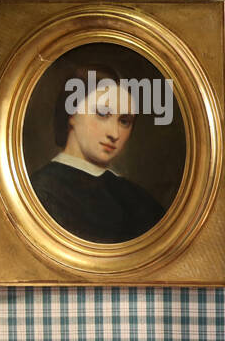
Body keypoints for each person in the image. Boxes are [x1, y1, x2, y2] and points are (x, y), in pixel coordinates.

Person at [29, 67, 166, 243]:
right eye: (102, 114)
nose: (114, 134)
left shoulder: (141, 200)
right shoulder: (42, 191)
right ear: (72, 112)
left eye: (124, 121)